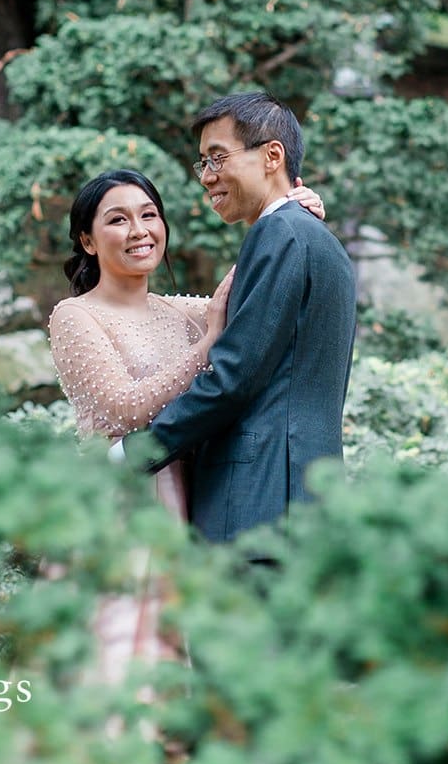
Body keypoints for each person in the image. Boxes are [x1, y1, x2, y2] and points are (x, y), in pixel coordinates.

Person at [46, 167, 325, 694]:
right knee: (119, 661)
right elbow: (125, 409)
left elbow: (256, 284)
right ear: (87, 239)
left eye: (149, 215)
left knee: (180, 658)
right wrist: (206, 347)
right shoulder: (75, 316)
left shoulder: (184, 311)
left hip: (191, 497)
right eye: (118, 220)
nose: (139, 231)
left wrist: (291, 211)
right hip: (122, 502)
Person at [127, 92, 357, 545]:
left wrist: (128, 455)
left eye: (217, 159)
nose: (207, 178)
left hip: (256, 506)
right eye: (202, 164)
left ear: (273, 155)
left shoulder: (279, 232)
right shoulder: (318, 239)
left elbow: (232, 379)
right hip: (304, 503)